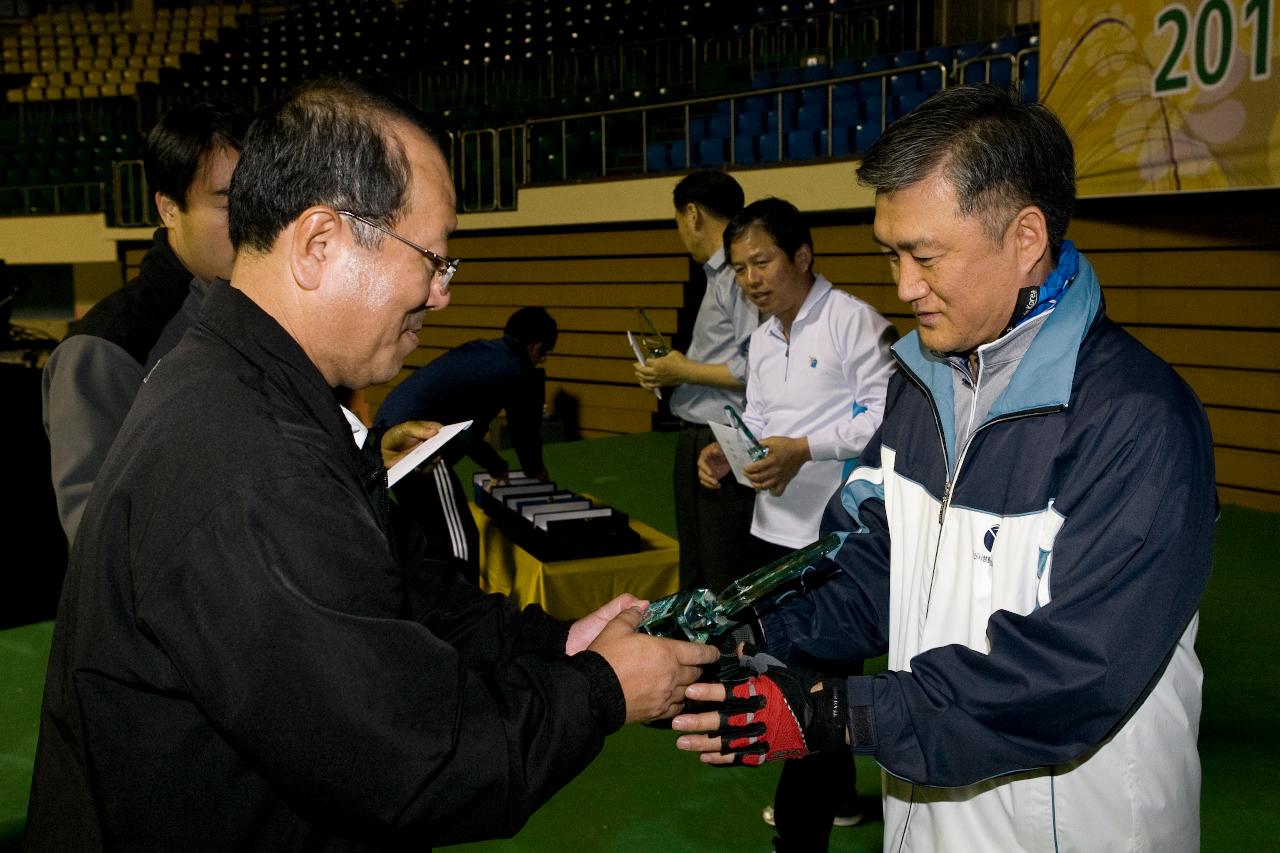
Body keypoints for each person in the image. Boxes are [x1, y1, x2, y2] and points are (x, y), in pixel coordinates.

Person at [25, 79, 718, 850]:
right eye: (433, 258)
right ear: (319, 245)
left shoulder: (257, 385)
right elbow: (420, 762)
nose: (442, 293)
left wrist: (557, 646)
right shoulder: (254, 464)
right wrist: (604, 689)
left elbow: (392, 587)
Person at [672, 85, 1217, 853]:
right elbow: (866, 569)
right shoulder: (917, 386)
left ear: (1026, 238)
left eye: (924, 257)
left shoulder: (1137, 417)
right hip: (925, 821)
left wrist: (839, 713)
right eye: (890, 254)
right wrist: (744, 629)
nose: (901, 287)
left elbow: (1079, 671)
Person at [697, 197, 896, 851]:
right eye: (741, 269)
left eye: (763, 261)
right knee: (790, 669)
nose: (752, 278)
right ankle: (837, 795)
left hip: (834, 538)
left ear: (802, 256)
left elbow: (883, 418)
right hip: (771, 531)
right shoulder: (760, 338)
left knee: (819, 683)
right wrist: (730, 456)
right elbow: (758, 418)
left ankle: (805, 815)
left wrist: (803, 449)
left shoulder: (852, 322)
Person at [41, 100, 251, 542]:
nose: (253, 224)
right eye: (230, 204)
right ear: (169, 209)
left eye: (262, 201)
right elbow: (101, 544)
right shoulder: (105, 349)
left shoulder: (262, 314)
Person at [635, 169, 758, 594]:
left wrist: (681, 371)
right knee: (700, 568)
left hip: (722, 436)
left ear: (692, 214)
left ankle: (731, 659)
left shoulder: (739, 277)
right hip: (703, 431)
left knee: (722, 572)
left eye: (676, 222)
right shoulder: (717, 277)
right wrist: (673, 370)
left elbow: (755, 369)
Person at [375, 306, 560, 581]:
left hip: (387, 435)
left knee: (429, 529)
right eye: (544, 354)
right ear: (536, 346)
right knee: (459, 540)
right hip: (418, 445)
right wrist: (536, 472)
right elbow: (525, 430)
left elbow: (468, 433)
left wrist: (497, 466)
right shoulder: (516, 369)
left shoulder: (484, 355)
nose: (540, 360)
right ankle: (463, 611)